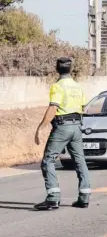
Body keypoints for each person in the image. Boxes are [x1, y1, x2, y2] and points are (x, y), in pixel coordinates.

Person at [33, 57, 91, 210]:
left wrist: (40, 127)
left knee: (48, 160)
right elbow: (84, 107)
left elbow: (53, 108)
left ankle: (53, 198)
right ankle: (84, 197)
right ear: (70, 69)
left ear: (57, 69)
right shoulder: (77, 86)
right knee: (80, 161)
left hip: (62, 126)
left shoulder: (57, 86)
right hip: (77, 126)